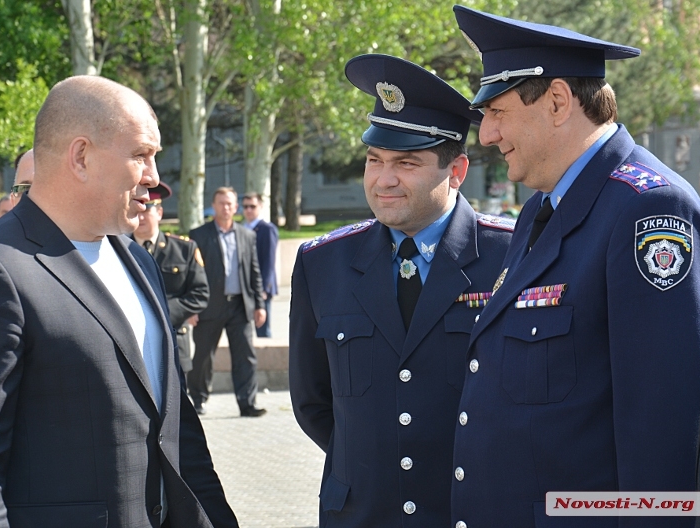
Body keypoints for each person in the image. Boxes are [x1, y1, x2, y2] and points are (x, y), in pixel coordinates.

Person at [0, 75, 238, 528]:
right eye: (141, 155)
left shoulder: (137, 261)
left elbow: (176, 429)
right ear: (81, 156)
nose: (155, 178)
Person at [450, 7, 700, 528]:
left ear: (556, 101)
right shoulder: (540, 208)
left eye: (498, 111)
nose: (485, 134)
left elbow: (665, 431)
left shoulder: (650, 210)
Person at [289, 54, 513, 527]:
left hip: (470, 512)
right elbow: (313, 401)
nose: (384, 179)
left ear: (456, 172)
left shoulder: (512, 256)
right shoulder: (322, 262)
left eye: (407, 162)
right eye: (375, 160)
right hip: (362, 514)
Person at [188, 187, 267, 417]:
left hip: (240, 306)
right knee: (203, 356)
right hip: (208, 306)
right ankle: (198, 400)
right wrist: (191, 308)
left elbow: (255, 272)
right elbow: (192, 273)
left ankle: (247, 404)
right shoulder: (199, 235)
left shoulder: (247, 235)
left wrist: (259, 305)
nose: (226, 208)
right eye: (222, 203)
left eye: (230, 204)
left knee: (245, 356)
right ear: (214, 206)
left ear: (236, 207)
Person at [132, 181, 209, 384]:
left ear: (159, 213)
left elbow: (200, 294)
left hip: (174, 339)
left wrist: (163, 313)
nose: (140, 217)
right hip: (134, 343)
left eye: (146, 210)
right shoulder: (119, 249)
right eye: (135, 209)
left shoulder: (184, 249)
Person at [241, 192, 278, 337]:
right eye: (245, 207)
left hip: (261, 288)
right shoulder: (241, 229)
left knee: (262, 328)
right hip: (245, 286)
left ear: (260, 207)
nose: (249, 210)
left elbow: (269, 261)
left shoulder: (267, 229)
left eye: (252, 206)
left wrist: (263, 288)